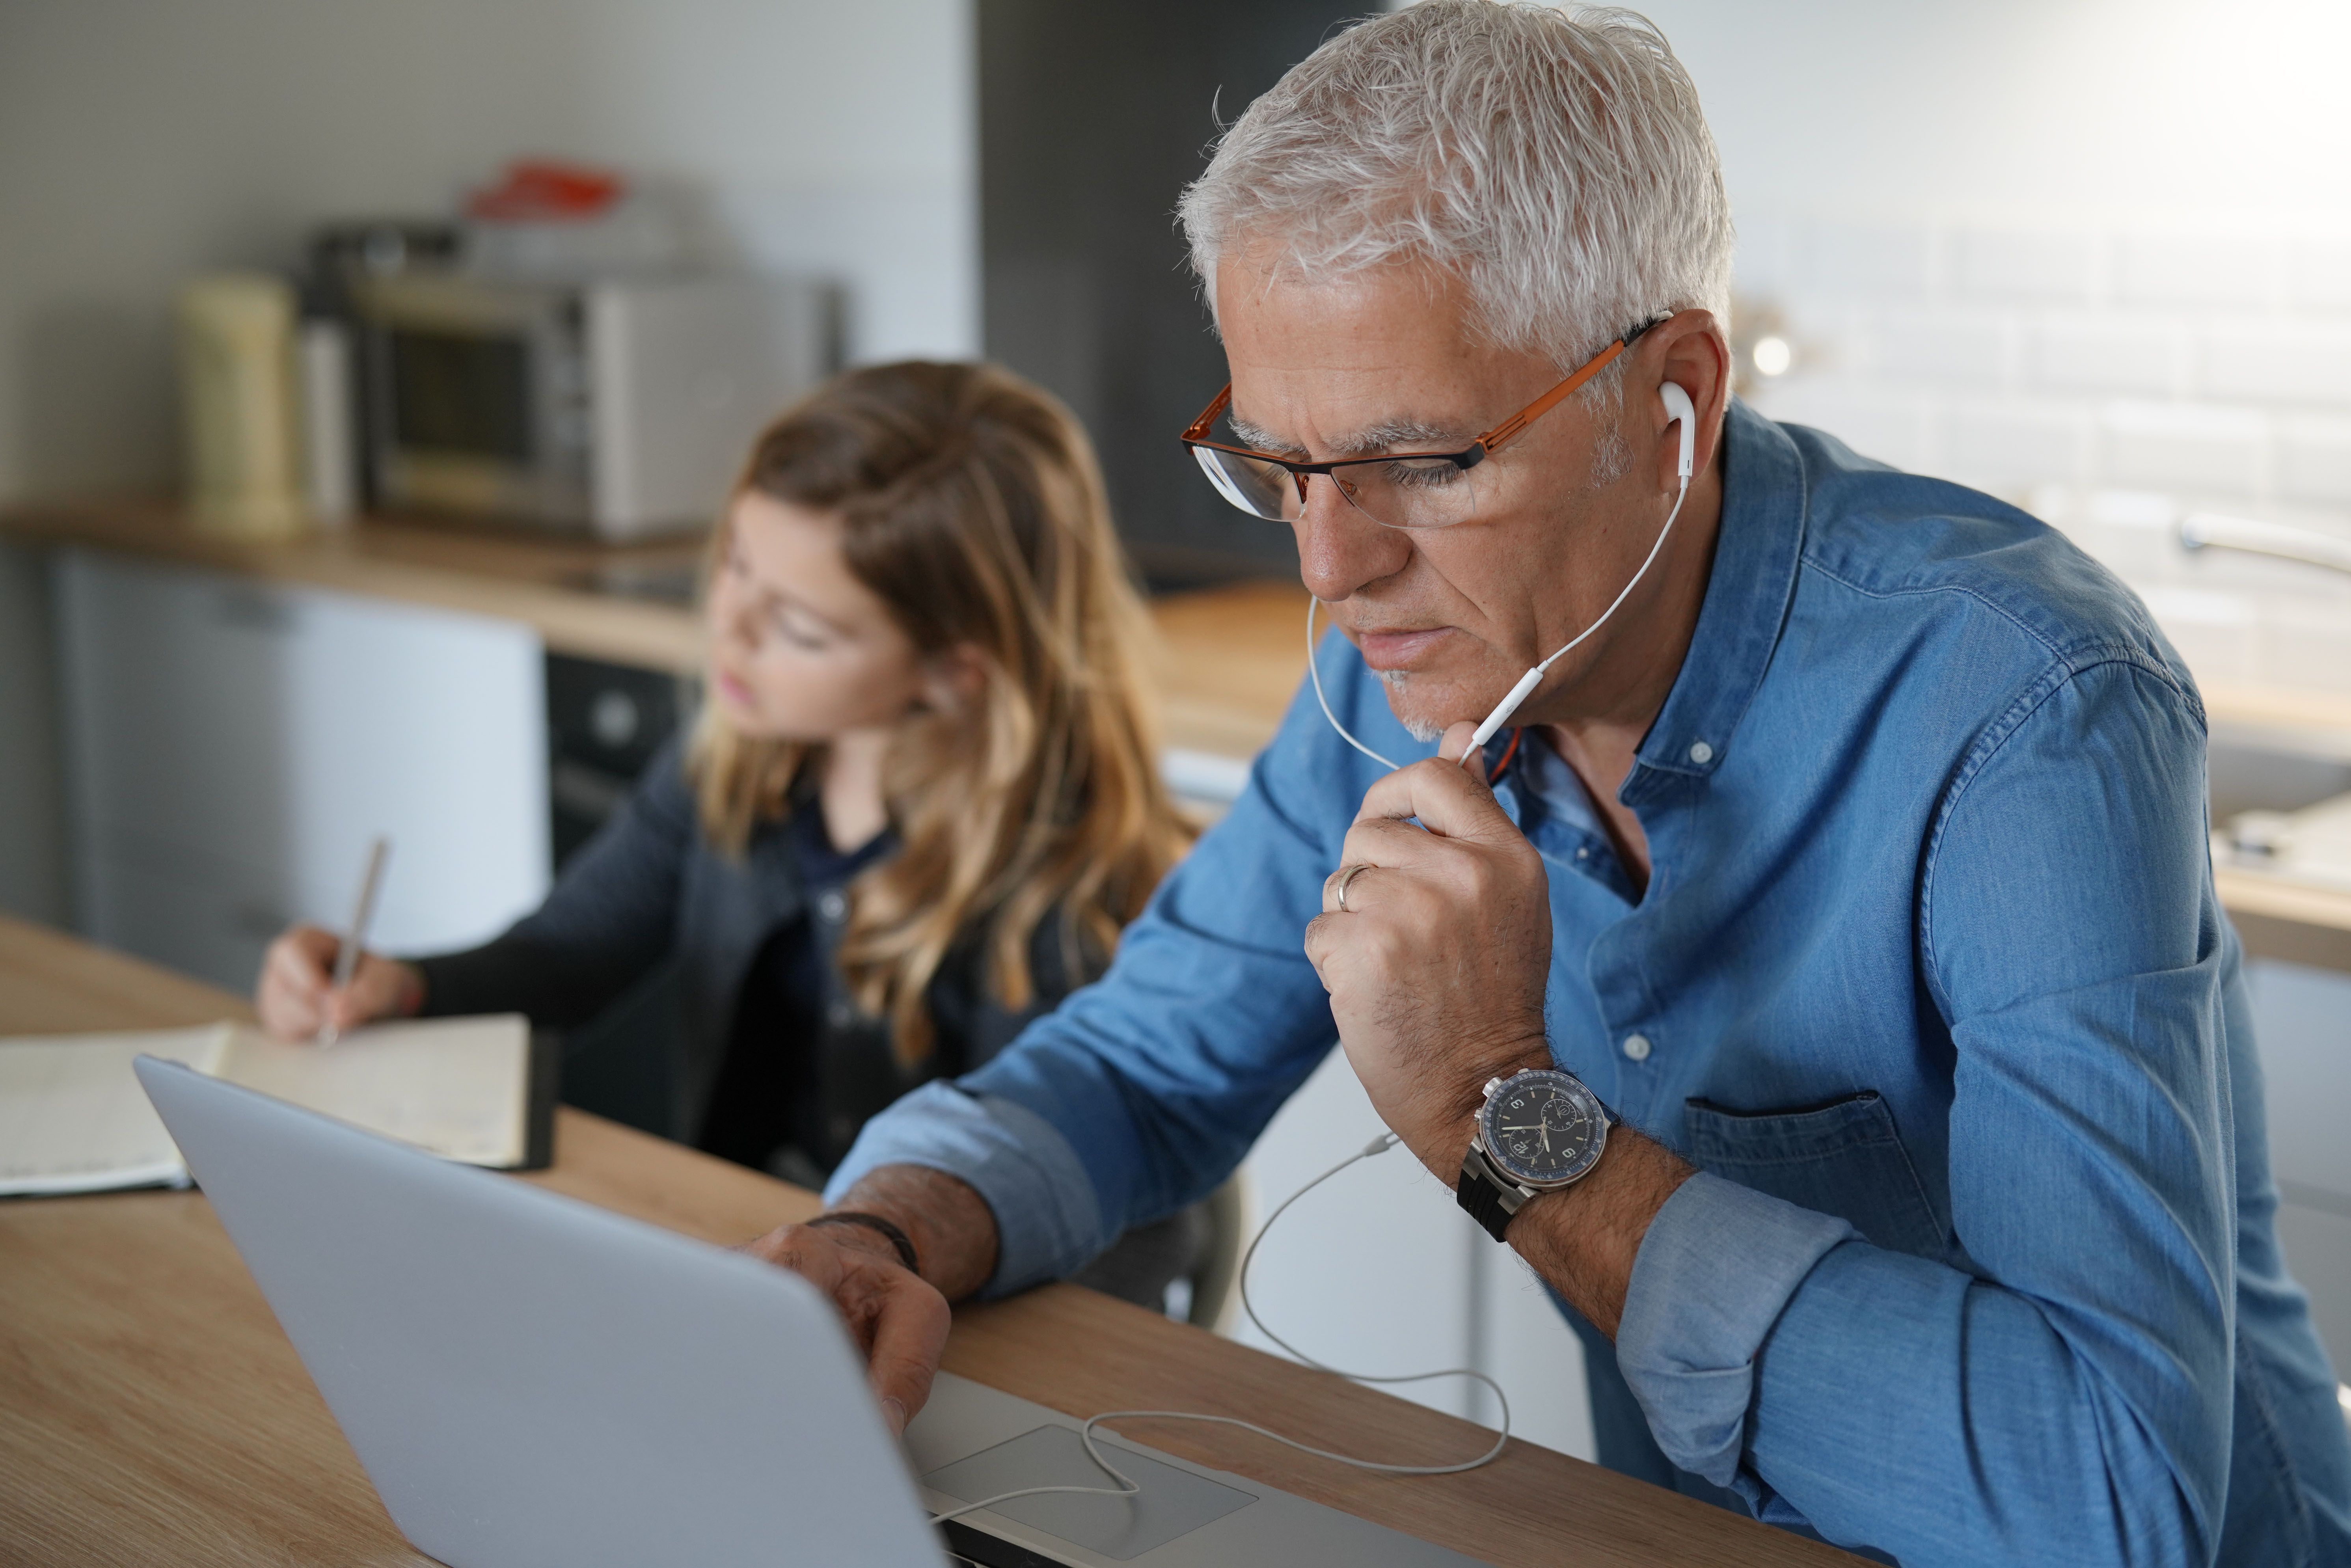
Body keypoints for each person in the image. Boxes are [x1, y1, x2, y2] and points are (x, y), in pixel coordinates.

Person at [737, 5, 2351, 1564]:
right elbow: (1148, 1067)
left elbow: (2111, 1507)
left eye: (1426, 462)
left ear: (1675, 403)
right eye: (1280, 465)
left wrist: (1503, 1115)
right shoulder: (1408, 654)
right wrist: (885, 1228)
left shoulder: (2029, 708)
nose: (1337, 565)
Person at [255, 359, 1205, 1309]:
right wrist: (405, 984)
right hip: (757, 1273)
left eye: (797, 626)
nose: (729, 631)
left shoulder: (1064, 885)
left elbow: (1076, 1203)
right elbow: (564, 955)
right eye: (736, 566)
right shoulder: (740, 766)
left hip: (947, 1315)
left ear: (954, 672)